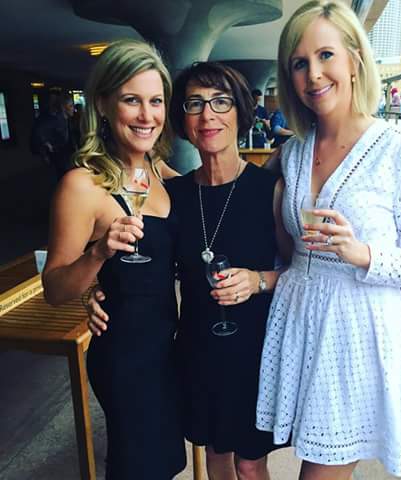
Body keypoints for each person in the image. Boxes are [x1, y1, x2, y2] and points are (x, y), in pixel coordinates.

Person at [255, 2, 401, 480]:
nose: (314, 74)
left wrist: (361, 254)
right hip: (299, 325)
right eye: (299, 63)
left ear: (355, 61)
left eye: (326, 55)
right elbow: (252, 211)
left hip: (356, 336)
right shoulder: (293, 153)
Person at [87, 61, 292, 479]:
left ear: (241, 112)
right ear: (182, 120)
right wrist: (93, 289)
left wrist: (259, 280)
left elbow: (304, 273)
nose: (208, 115)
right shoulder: (172, 194)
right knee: (215, 456)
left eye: (221, 102)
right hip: (197, 347)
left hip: (256, 349)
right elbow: (138, 256)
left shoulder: (270, 190)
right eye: (195, 104)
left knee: (250, 464)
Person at [41, 39, 186, 479]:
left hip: (168, 348)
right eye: (131, 100)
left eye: (155, 101)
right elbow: (54, 288)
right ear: (103, 104)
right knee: (136, 467)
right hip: (125, 354)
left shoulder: (163, 174)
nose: (147, 115)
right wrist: (99, 254)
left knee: (165, 464)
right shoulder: (82, 185)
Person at [31, 92, 77, 180]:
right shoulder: (56, 121)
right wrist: (47, 145)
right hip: (61, 160)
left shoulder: (67, 120)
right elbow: (39, 132)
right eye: (71, 106)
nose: (73, 109)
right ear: (64, 107)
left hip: (67, 159)